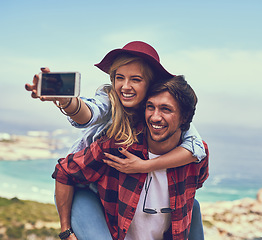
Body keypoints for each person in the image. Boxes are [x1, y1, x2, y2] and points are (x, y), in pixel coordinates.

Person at [25, 41, 206, 239]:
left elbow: (196, 149)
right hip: (82, 186)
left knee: (192, 205)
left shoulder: (169, 117)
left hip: (111, 188)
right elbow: (89, 113)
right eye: (120, 78)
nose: (125, 86)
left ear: (151, 84)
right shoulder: (111, 105)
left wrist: (144, 166)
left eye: (135, 79)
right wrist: (66, 100)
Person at [52, 75, 209, 240]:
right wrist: (66, 231)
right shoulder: (119, 146)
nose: (155, 117)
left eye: (166, 109)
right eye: (150, 107)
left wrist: (146, 167)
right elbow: (64, 171)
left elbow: (193, 190)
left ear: (184, 117)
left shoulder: (196, 157)